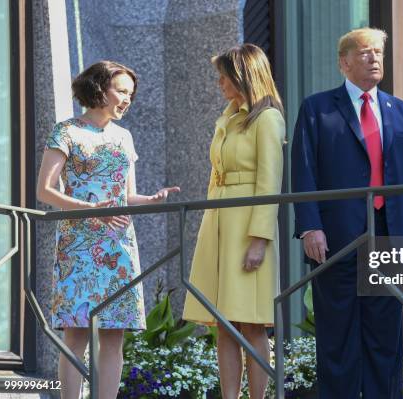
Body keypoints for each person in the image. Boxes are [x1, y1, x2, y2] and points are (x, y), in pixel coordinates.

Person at [291, 28, 403, 398]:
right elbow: (304, 171)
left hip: (390, 235)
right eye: (365, 52)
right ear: (344, 62)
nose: (374, 59)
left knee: (384, 338)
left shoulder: (401, 111)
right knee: (337, 337)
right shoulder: (317, 108)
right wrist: (310, 227)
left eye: (379, 53)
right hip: (336, 239)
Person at [37, 60, 180, 399]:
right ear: (99, 88)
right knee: (77, 333)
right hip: (79, 245)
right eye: (121, 91)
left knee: (115, 334)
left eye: (131, 93)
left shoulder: (124, 136)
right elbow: (44, 190)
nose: (127, 99)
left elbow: (126, 195)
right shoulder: (67, 130)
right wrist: (90, 211)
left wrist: (151, 199)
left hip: (118, 245)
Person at [182, 44, 285, 399]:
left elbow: (270, 183)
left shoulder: (268, 118)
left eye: (224, 75)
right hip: (219, 224)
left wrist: (259, 238)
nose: (219, 82)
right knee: (223, 324)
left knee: (252, 323)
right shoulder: (228, 116)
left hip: (247, 228)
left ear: (243, 75)